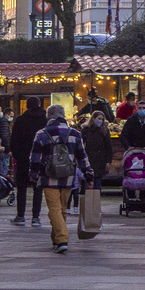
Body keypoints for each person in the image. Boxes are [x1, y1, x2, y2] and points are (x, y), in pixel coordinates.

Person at [28, 104, 94, 254]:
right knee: (63, 208)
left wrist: (33, 174)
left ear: (49, 116)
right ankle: (56, 239)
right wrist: (88, 174)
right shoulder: (75, 134)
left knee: (54, 209)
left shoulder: (42, 134)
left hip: (48, 177)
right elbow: (82, 157)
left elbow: (35, 158)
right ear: (63, 115)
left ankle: (62, 239)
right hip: (68, 176)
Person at [9, 96, 47, 227]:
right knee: (38, 188)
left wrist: (17, 155)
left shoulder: (20, 120)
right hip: (41, 158)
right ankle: (36, 217)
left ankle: (20, 215)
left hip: (23, 158)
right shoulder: (45, 120)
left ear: (27, 106)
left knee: (21, 188)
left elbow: (14, 140)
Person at [81, 110, 113, 192]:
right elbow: (81, 144)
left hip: (100, 159)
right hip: (89, 157)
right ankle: (89, 202)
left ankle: (95, 201)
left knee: (97, 182)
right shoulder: (86, 130)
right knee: (88, 181)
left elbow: (108, 147)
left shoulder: (105, 130)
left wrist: (108, 161)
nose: (100, 121)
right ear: (94, 119)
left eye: (102, 119)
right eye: (99, 118)